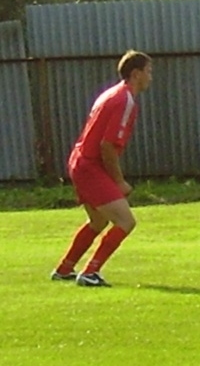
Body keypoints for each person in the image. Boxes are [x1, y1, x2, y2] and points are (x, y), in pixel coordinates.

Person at [50, 50, 153, 287]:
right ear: (136, 74)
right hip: (90, 166)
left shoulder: (110, 94)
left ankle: (65, 268)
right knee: (126, 222)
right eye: (148, 71)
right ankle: (89, 273)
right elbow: (107, 146)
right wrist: (118, 181)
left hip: (80, 161)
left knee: (98, 222)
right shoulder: (125, 99)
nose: (151, 77)